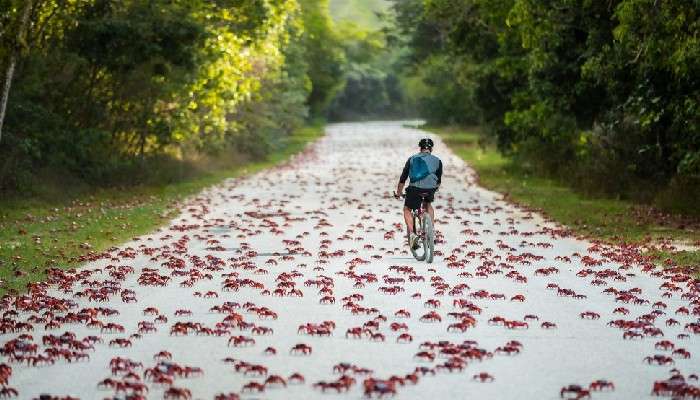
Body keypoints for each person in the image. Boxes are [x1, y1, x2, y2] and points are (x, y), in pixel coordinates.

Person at [395, 138, 442, 248]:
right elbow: (438, 180)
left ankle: (412, 234)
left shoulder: (412, 159)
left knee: (407, 209)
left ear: (420, 148)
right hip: (430, 189)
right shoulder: (437, 161)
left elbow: (403, 178)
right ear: (431, 148)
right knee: (428, 204)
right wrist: (434, 189)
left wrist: (399, 193)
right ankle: (431, 231)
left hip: (415, 189)